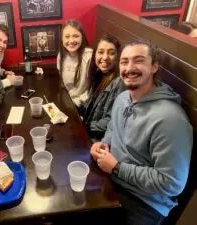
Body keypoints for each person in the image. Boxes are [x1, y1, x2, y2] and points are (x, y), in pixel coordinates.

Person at [90, 39, 193, 225]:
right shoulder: (122, 98)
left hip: (145, 201)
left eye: (138, 60)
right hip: (112, 179)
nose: (129, 68)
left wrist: (117, 167)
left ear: (154, 66)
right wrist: (104, 143)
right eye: (124, 62)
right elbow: (113, 128)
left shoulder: (171, 119)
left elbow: (172, 183)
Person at [80, 34, 125, 141]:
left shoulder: (119, 83)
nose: (105, 57)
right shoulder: (99, 73)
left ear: (118, 56)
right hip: (89, 130)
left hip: (100, 140)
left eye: (111, 53)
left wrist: (85, 126)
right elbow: (91, 103)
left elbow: (111, 121)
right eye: (100, 52)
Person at [57, 19, 93, 107]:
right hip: (67, 100)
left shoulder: (89, 56)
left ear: (82, 37)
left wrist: (79, 102)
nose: (71, 40)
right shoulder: (61, 55)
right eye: (67, 36)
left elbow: (94, 88)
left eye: (76, 36)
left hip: (83, 104)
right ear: (62, 39)